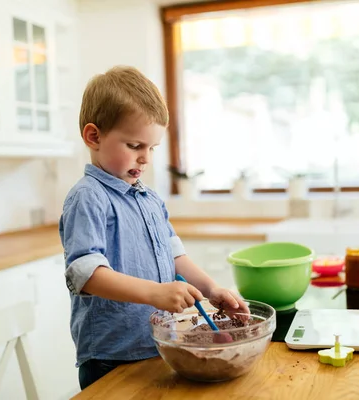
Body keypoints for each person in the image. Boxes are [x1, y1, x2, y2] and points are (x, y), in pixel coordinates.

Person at [59, 66, 249, 389]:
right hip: (111, 358)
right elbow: (85, 274)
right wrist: (157, 293)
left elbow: (176, 257)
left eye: (152, 148)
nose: (145, 158)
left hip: (156, 346)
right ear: (94, 136)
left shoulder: (149, 199)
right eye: (135, 146)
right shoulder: (88, 198)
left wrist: (211, 290)